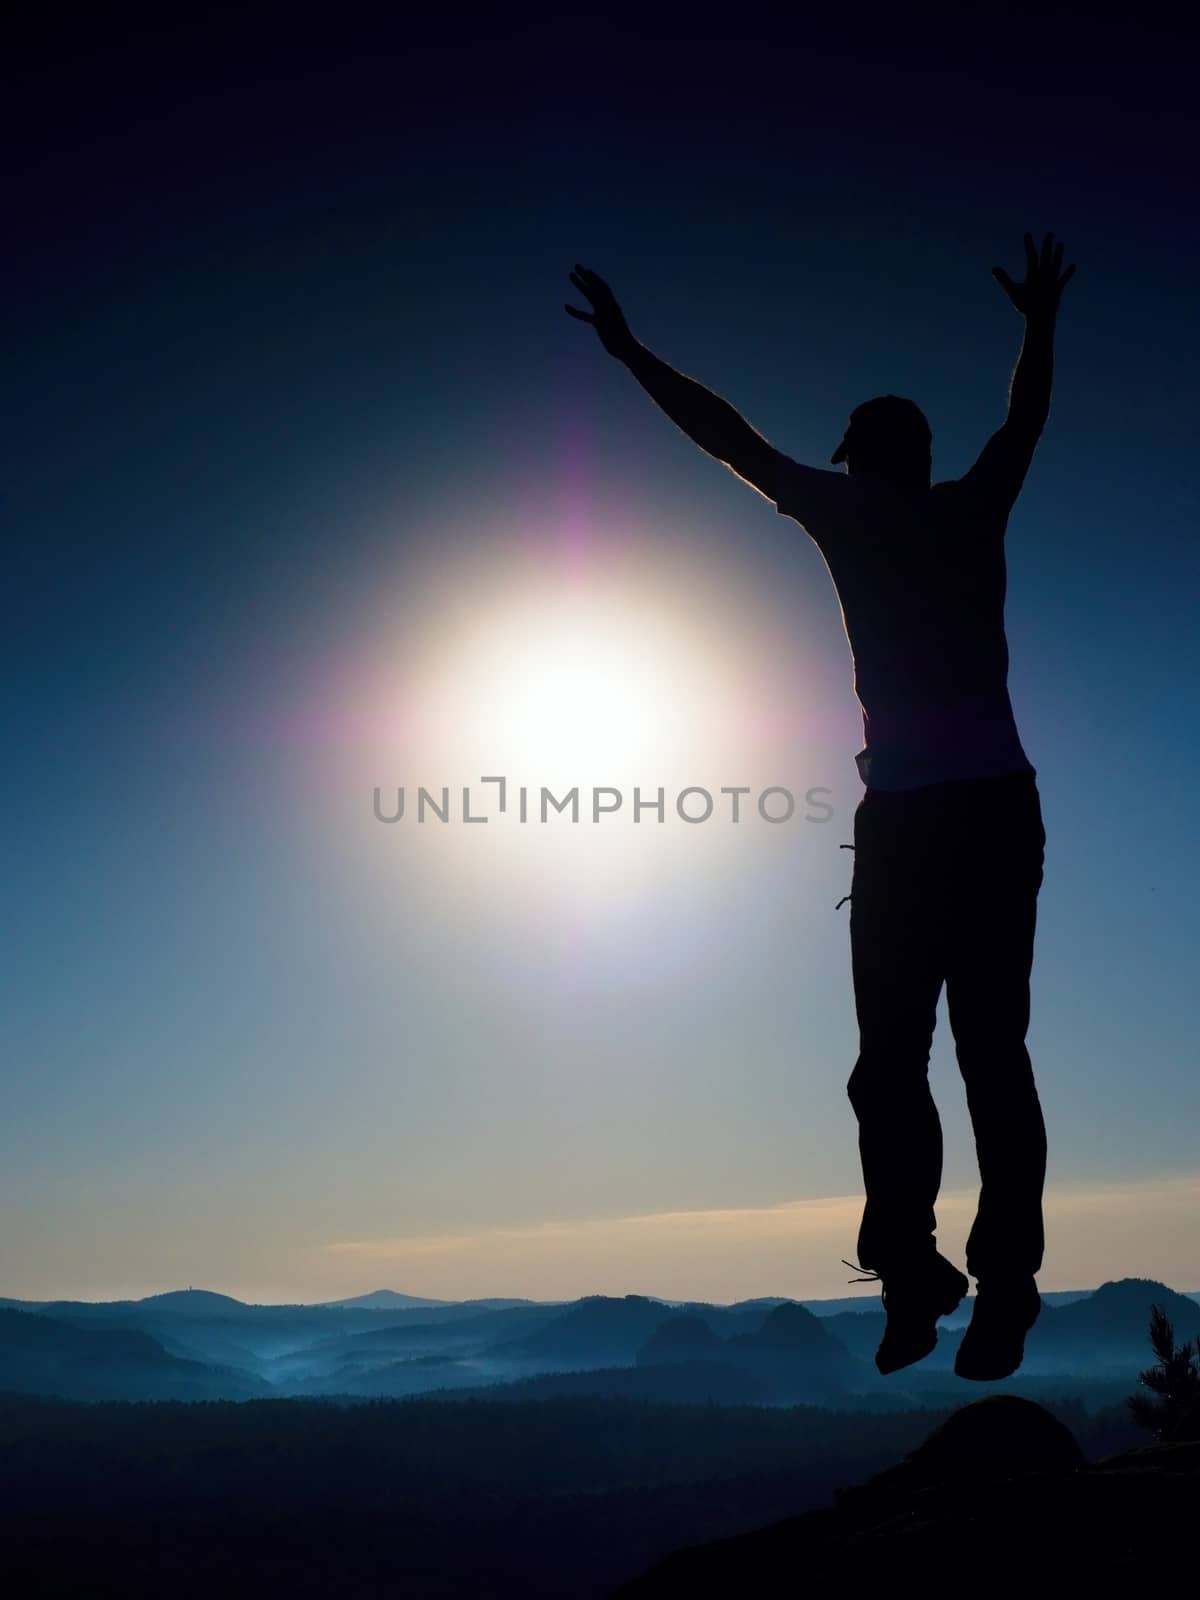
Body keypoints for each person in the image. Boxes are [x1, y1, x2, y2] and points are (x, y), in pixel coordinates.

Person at [564, 233, 1075, 1380]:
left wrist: (631, 351)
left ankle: (920, 1274)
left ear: (859, 458)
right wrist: (1038, 323)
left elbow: (726, 435)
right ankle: (986, 1284)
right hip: (986, 815)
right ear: (920, 454)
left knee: (896, 1061)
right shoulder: (970, 508)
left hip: (918, 823)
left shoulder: (850, 512)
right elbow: (1023, 423)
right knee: (985, 1051)